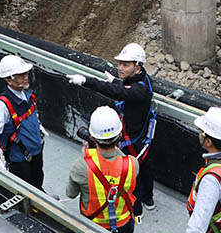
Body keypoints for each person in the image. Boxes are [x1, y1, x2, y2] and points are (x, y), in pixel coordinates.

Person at [66, 42, 156, 218]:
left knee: (132, 174)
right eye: (119, 64)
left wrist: (86, 81)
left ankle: (137, 211)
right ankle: (149, 199)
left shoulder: (139, 91)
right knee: (145, 167)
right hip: (139, 135)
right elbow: (124, 89)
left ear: (137, 68)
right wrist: (116, 81)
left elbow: (119, 92)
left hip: (133, 138)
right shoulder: (143, 80)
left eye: (125, 65)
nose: (120, 68)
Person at [66, 106, 139, 233]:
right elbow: (118, 162)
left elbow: (70, 194)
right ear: (120, 135)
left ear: (93, 137)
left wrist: (86, 159)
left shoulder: (81, 166)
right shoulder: (132, 163)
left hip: (94, 224)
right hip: (124, 222)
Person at [0, 55, 45, 190]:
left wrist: (38, 126)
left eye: (26, 73)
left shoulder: (27, 95)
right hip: (20, 160)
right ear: (9, 80)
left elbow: (31, 114)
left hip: (36, 150)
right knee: (25, 190)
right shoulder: (3, 105)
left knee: (37, 179)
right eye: (21, 75)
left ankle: (40, 193)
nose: (26, 77)